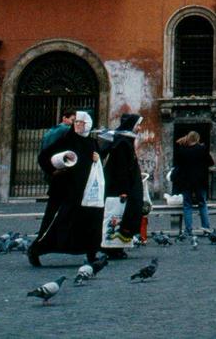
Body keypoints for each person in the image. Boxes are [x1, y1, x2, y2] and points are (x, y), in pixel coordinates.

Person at [29, 111, 104, 266]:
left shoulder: (92, 143)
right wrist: (54, 170)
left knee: (89, 223)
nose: (77, 125)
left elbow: (98, 167)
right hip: (64, 192)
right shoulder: (66, 140)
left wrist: (98, 159)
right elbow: (44, 157)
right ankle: (36, 250)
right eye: (76, 122)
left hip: (85, 193)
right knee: (56, 222)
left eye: (81, 123)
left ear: (88, 125)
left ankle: (91, 253)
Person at [100, 113, 145, 258]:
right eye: (138, 125)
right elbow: (121, 169)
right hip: (119, 189)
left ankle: (117, 247)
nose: (139, 128)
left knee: (121, 216)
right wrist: (123, 190)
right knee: (117, 216)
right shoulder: (122, 143)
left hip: (123, 187)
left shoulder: (125, 140)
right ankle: (112, 248)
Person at [173, 131, 213, 235]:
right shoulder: (202, 149)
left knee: (187, 205)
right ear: (197, 139)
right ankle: (206, 228)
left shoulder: (182, 150)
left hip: (186, 182)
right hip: (200, 181)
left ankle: (188, 230)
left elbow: (178, 166)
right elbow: (211, 163)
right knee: (202, 204)